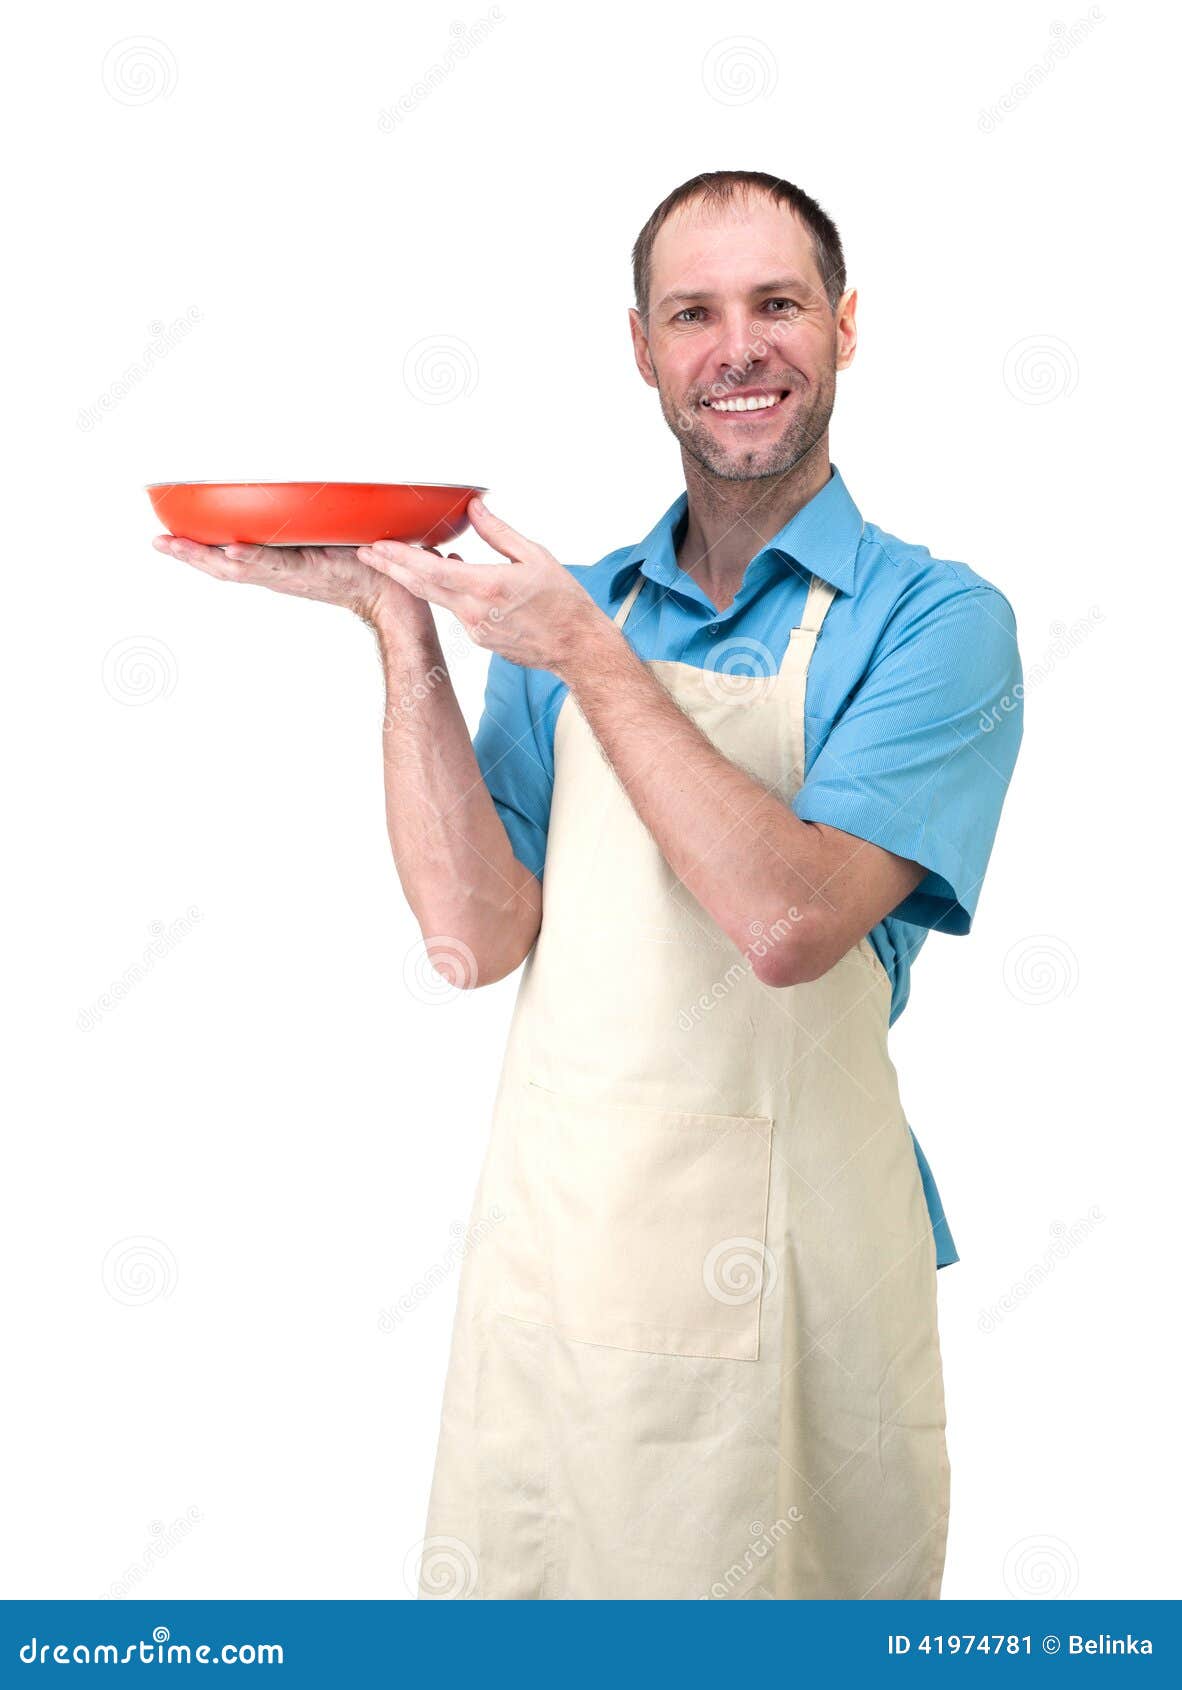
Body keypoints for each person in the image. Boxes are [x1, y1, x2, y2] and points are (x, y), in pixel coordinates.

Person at [154, 170, 1023, 1600]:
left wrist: (590, 664)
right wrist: (402, 628)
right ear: (641, 348)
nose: (736, 346)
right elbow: (474, 934)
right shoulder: (577, 604)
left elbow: (791, 923)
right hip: (560, 1279)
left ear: (846, 327)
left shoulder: (932, 621)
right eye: (694, 312)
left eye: (777, 304)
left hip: (798, 1282)